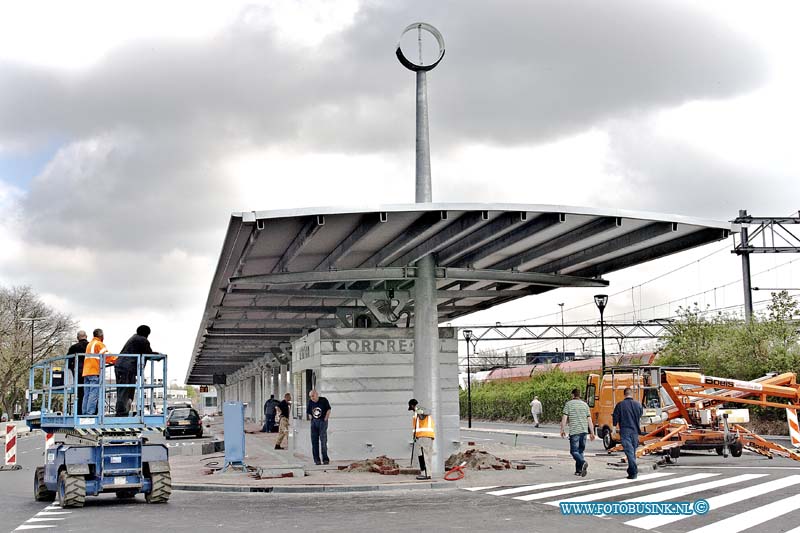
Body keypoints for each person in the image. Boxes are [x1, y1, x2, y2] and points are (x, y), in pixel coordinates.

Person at [117, 325, 157, 417]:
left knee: (125, 390)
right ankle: (121, 413)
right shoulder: (142, 340)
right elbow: (148, 353)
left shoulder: (133, 338)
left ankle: (123, 411)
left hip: (122, 366)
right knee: (125, 390)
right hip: (127, 367)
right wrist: (158, 356)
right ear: (147, 334)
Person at [560, 388, 595, 477]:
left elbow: (564, 418)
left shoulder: (569, 404)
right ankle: (579, 471)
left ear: (573, 395)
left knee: (574, 451)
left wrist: (562, 429)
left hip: (575, 431)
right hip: (584, 431)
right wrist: (592, 432)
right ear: (579, 395)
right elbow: (589, 419)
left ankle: (583, 462)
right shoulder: (585, 405)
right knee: (580, 451)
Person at [82, 329, 116, 416]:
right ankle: (90, 413)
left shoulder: (89, 344)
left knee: (87, 394)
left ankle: (85, 412)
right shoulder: (99, 344)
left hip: (86, 372)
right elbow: (108, 357)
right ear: (101, 336)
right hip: (94, 371)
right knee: (94, 393)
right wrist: (117, 360)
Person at [613, 387, 644, 479]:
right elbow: (641, 415)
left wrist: (614, 429)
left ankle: (634, 471)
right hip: (635, 431)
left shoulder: (620, 405)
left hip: (625, 431)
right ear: (631, 394)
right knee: (632, 451)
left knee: (629, 452)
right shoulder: (638, 405)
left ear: (624, 394)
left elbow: (615, 417)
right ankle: (631, 472)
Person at [408, 398, 435, 480]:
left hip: (424, 437)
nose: (412, 410)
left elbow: (426, 413)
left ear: (412, 405)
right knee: (424, 456)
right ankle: (425, 473)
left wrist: (417, 409)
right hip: (424, 437)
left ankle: (426, 474)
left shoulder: (419, 410)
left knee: (424, 456)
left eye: (411, 408)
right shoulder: (418, 412)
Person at [306, 389, 331, 465]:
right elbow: (309, 412)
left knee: (323, 441)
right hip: (314, 423)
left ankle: (325, 459)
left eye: (313, 396)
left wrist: (326, 418)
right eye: (310, 396)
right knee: (314, 442)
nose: (312, 398)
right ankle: (317, 460)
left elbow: (328, 409)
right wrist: (311, 419)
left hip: (322, 422)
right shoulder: (310, 402)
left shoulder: (323, 400)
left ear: (316, 394)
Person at [66, 330, 89, 415]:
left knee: (79, 393)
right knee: (90, 392)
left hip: (78, 372)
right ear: (86, 336)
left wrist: (72, 370)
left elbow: (68, 361)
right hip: (90, 371)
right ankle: (91, 411)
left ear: (77, 338)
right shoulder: (89, 346)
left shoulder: (73, 348)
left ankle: (79, 412)